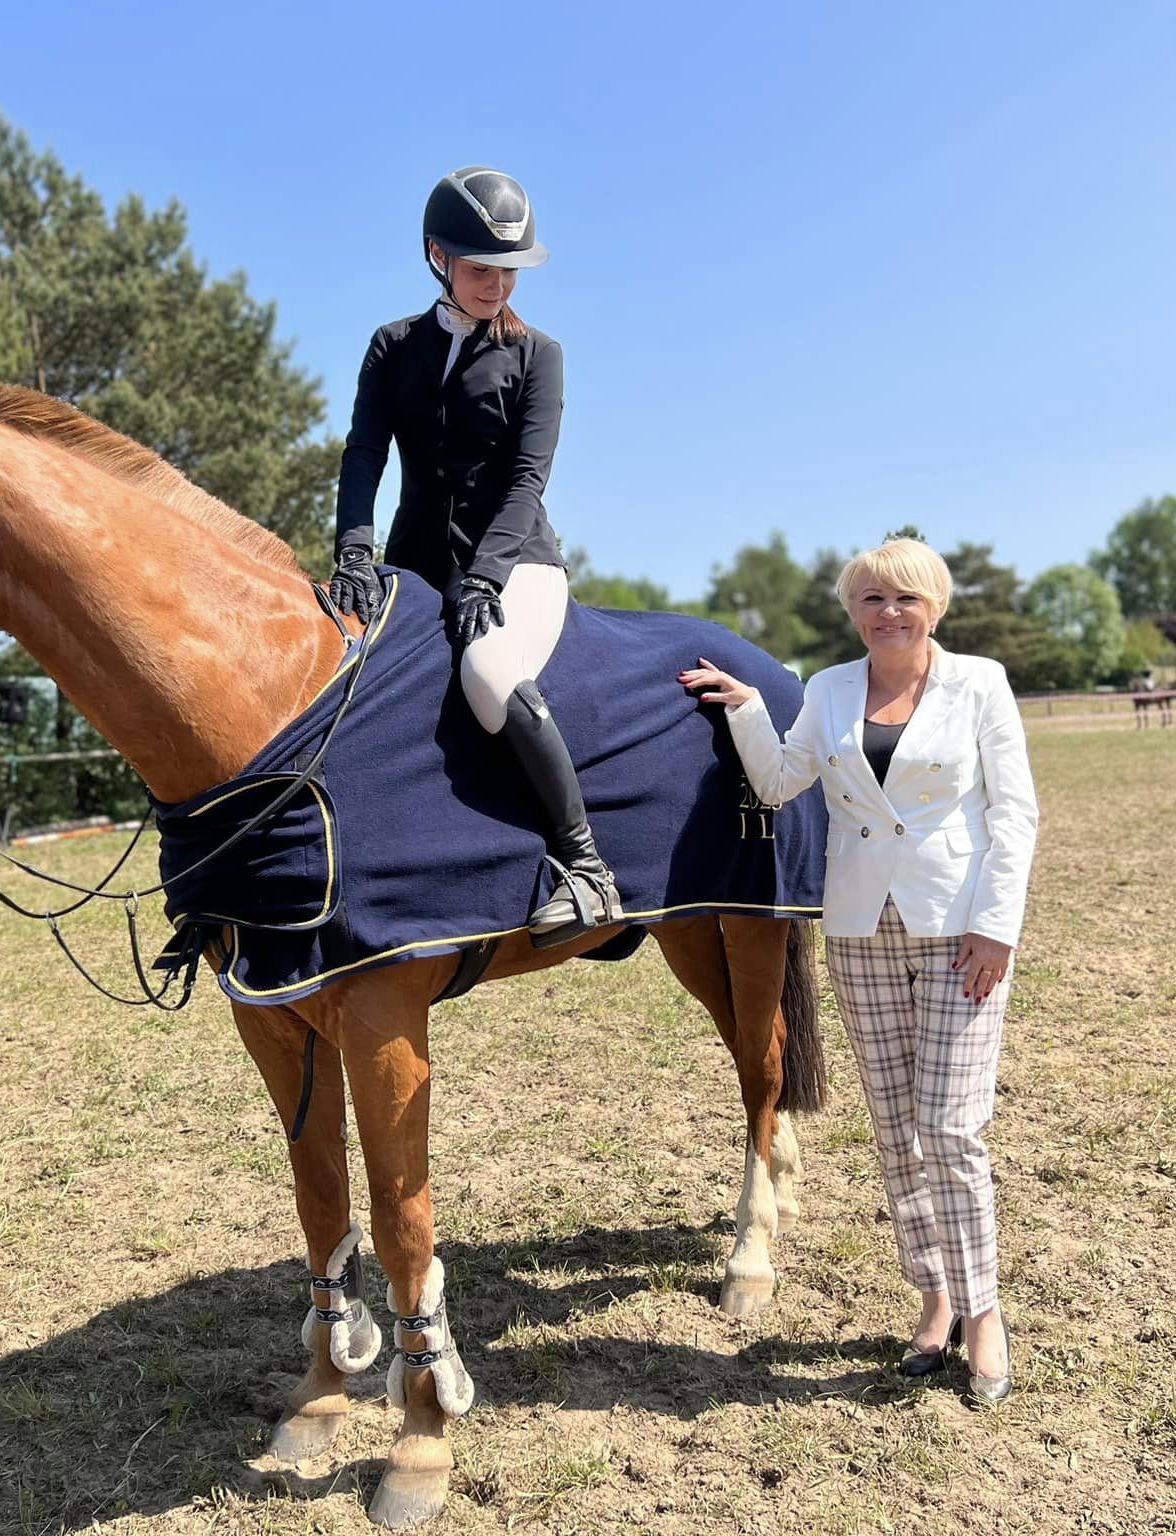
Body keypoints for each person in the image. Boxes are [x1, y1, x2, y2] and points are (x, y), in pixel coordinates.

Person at [678, 537, 1039, 1405]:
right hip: (860, 931)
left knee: (952, 1129)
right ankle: (935, 1295)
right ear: (853, 611)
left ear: (935, 607)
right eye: (871, 599)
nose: (887, 613)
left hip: (958, 932)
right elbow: (777, 782)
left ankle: (984, 1311)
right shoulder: (830, 689)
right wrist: (748, 707)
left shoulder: (980, 683)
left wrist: (996, 928)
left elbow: (1016, 814)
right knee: (897, 1134)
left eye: (904, 599)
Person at [329, 166, 621, 947]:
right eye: (481, 268)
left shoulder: (539, 356)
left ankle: (586, 869)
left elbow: (528, 477)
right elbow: (364, 456)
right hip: (416, 563)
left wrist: (488, 573)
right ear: (437, 257)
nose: (496, 284)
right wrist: (354, 552)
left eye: (509, 270)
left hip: (517, 561)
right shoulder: (392, 347)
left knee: (490, 673)